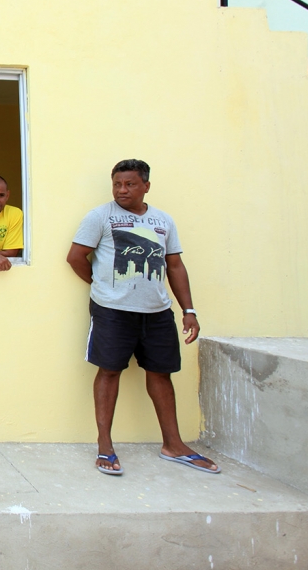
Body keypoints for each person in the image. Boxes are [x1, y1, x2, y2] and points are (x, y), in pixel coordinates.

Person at [66, 159, 219, 476]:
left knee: (161, 374)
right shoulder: (101, 216)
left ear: (146, 185)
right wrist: (102, 288)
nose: (122, 190)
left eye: (130, 184)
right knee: (109, 372)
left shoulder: (163, 221)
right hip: (112, 312)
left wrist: (188, 310)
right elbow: (76, 257)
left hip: (157, 312)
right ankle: (105, 446)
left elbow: (174, 266)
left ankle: (173, 445)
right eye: (117, 184)